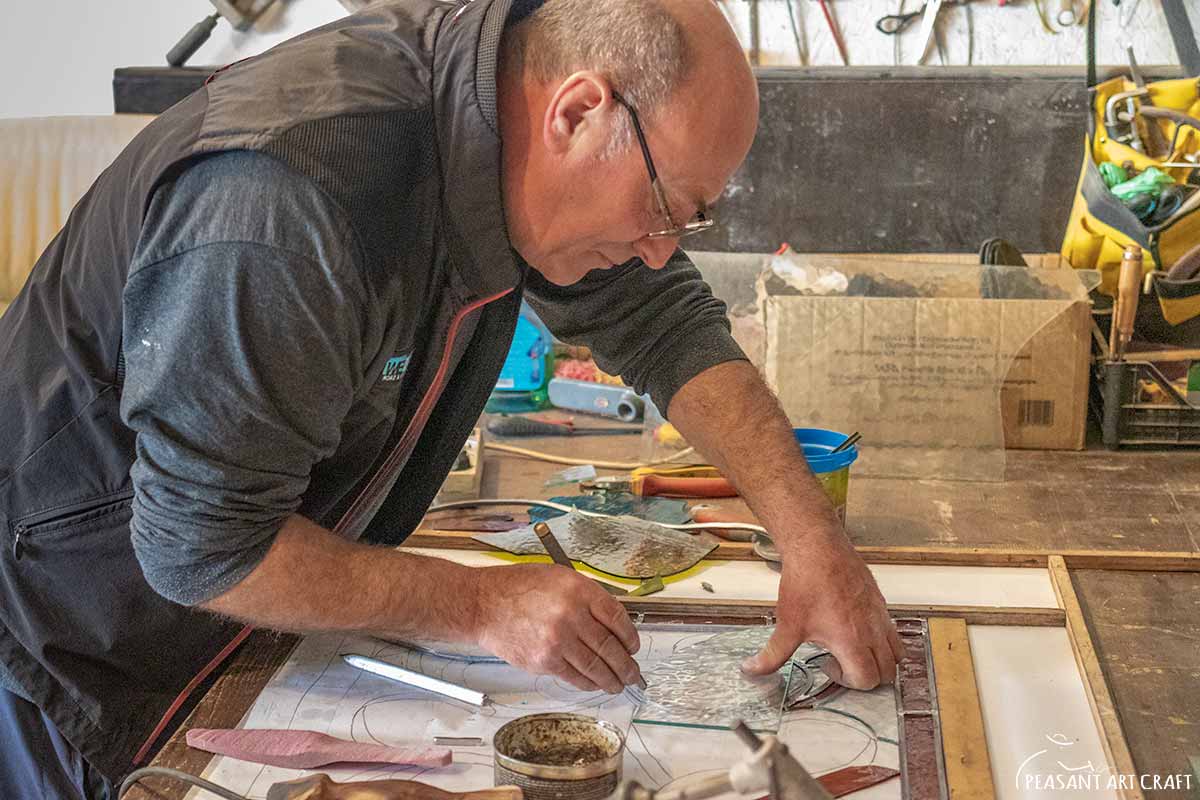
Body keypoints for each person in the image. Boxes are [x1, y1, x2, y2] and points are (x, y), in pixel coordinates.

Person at [0, 0, 901, 796]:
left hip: (244, 613)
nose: (665, 249)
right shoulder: (284, 207)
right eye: (670, 209)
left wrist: (811, 538)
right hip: (75, 643)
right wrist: (482, 605)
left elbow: (662, 320)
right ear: (580, 111)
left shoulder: (497, 125)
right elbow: (202, 547)